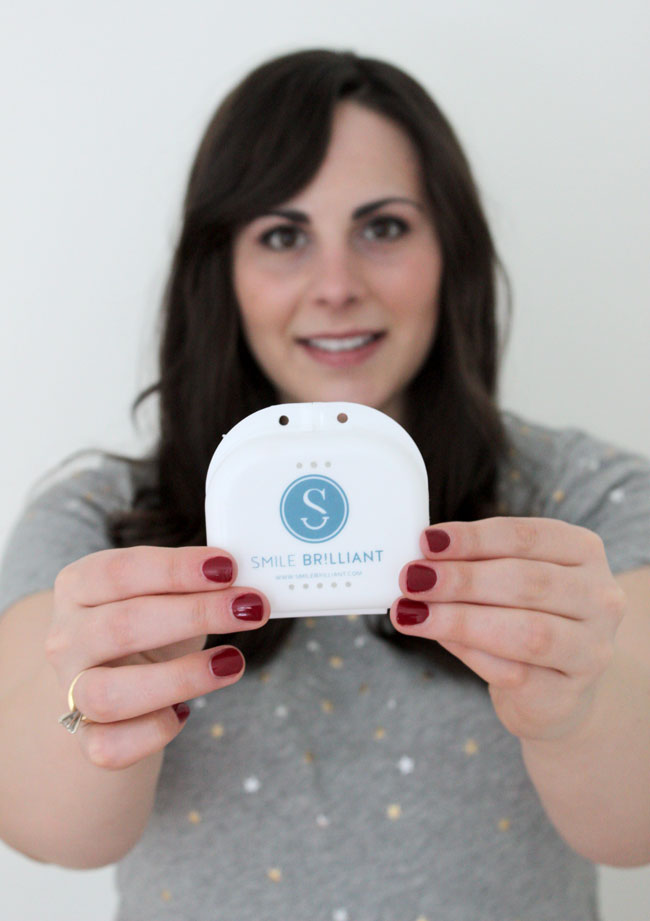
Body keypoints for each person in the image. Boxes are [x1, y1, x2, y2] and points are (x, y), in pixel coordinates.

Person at [1, 47, 649, 921]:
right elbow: (46, 831)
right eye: (283, 236)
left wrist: (576, 711)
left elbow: (636, 827)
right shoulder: (97, 523)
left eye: (383, 228)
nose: (337, 286)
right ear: (220, 272)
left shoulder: (585, 501)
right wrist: (95, 705)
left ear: (451, 250)